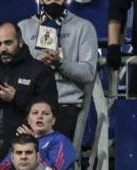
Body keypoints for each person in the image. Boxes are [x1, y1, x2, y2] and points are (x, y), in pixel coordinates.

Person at [0, 23, 59, 160]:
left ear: (20, 42)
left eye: (8, 43)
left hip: (23, 146)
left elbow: (49, 112)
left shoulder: (40, 71)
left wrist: (16, 97)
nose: (3, 49)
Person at [17, 0, 98, 137]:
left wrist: (60, 63)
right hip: (30, 103)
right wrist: (38, 63)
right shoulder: (24, 27)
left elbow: (88, 73)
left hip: (64, 103)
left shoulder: (83, 27)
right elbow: (17, 72)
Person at [0, 100, 79, 170]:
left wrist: (32, 144)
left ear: (53, 120)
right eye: (35, 113)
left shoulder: (61, 140)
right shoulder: (20, 143)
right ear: (28, 120)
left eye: (45, 113)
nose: (40, 116)